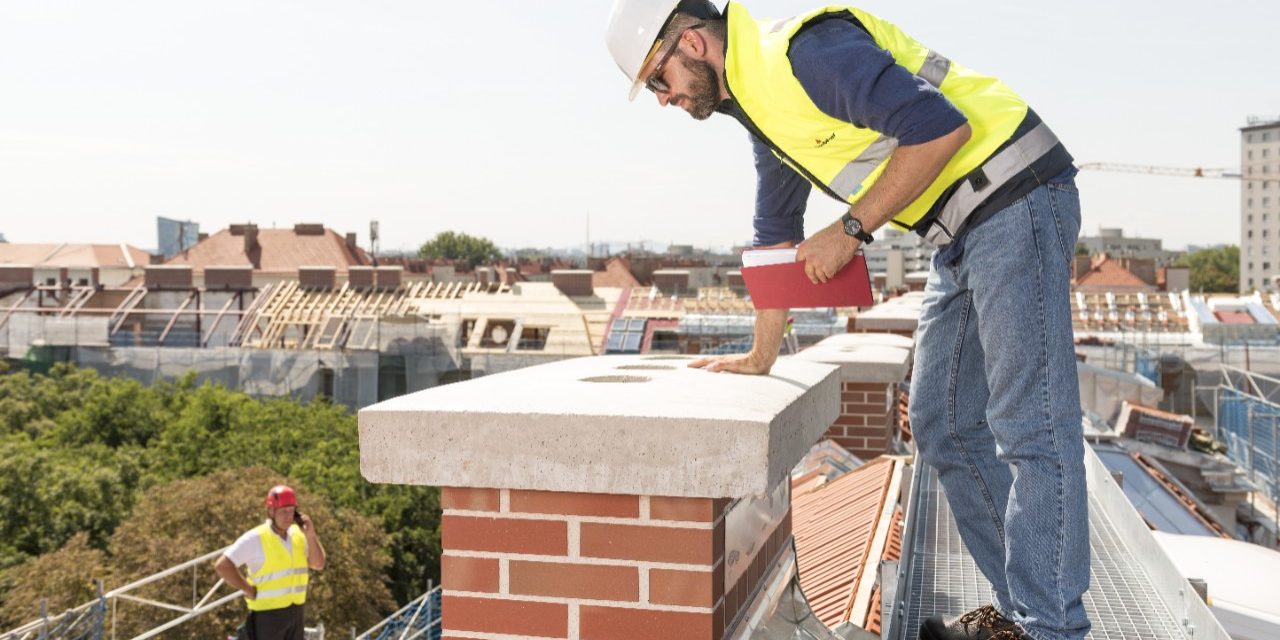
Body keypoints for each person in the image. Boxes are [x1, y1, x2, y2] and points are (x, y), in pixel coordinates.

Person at [605, 2, 1089, 639]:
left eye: (658, 80)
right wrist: (760, 355)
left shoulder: (803, 53)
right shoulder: (760, 107)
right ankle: (1024, 613)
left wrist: (852, 230)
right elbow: (775, 237)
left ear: (692, 42)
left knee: (1030, 425)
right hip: (962, 226)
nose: (663, 100)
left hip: (1014, 193)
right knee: (942, 423)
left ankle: (1051, 629)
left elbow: (940, 131)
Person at [214, 485, 327, 640]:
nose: (288, 516)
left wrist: (311, 535)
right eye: (283, 511)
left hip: (296, 613)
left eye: (291, 510)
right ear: (271, 511)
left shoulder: (299, 534)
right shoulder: (255, 538)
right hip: (268, 616)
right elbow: (222, 565)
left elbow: (318, 564)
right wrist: (247, 588)